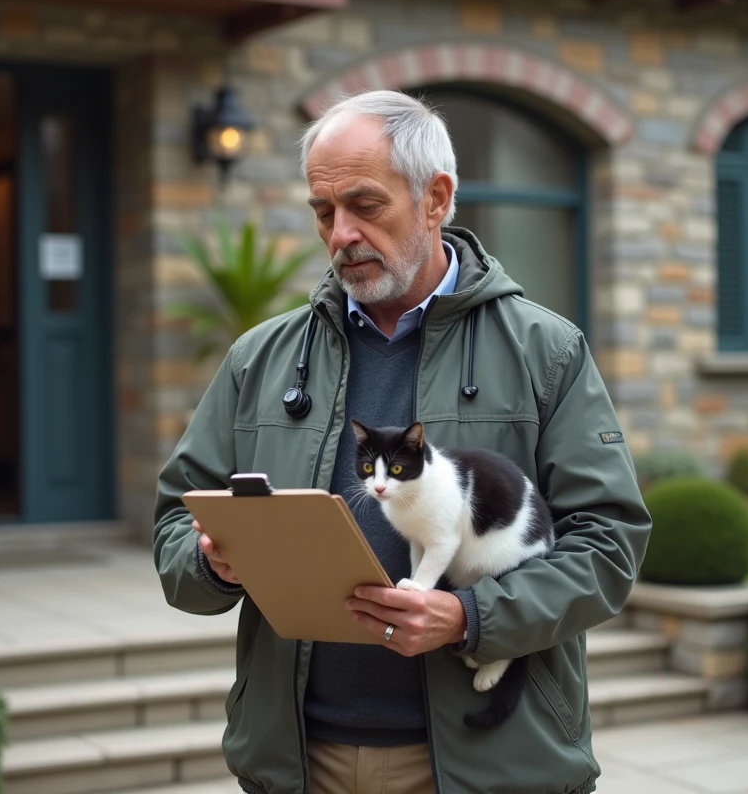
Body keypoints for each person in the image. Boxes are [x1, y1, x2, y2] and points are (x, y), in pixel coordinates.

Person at [152, 89, 652, 794]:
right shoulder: (256, 360)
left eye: (365, 205)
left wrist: (471, 618)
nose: (341, 234)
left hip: (488, 765)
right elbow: (176, 524)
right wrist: (213, 563)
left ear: (436, 198)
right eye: (324, 212)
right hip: (297, 763)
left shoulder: (547, 351)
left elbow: (609, 541)